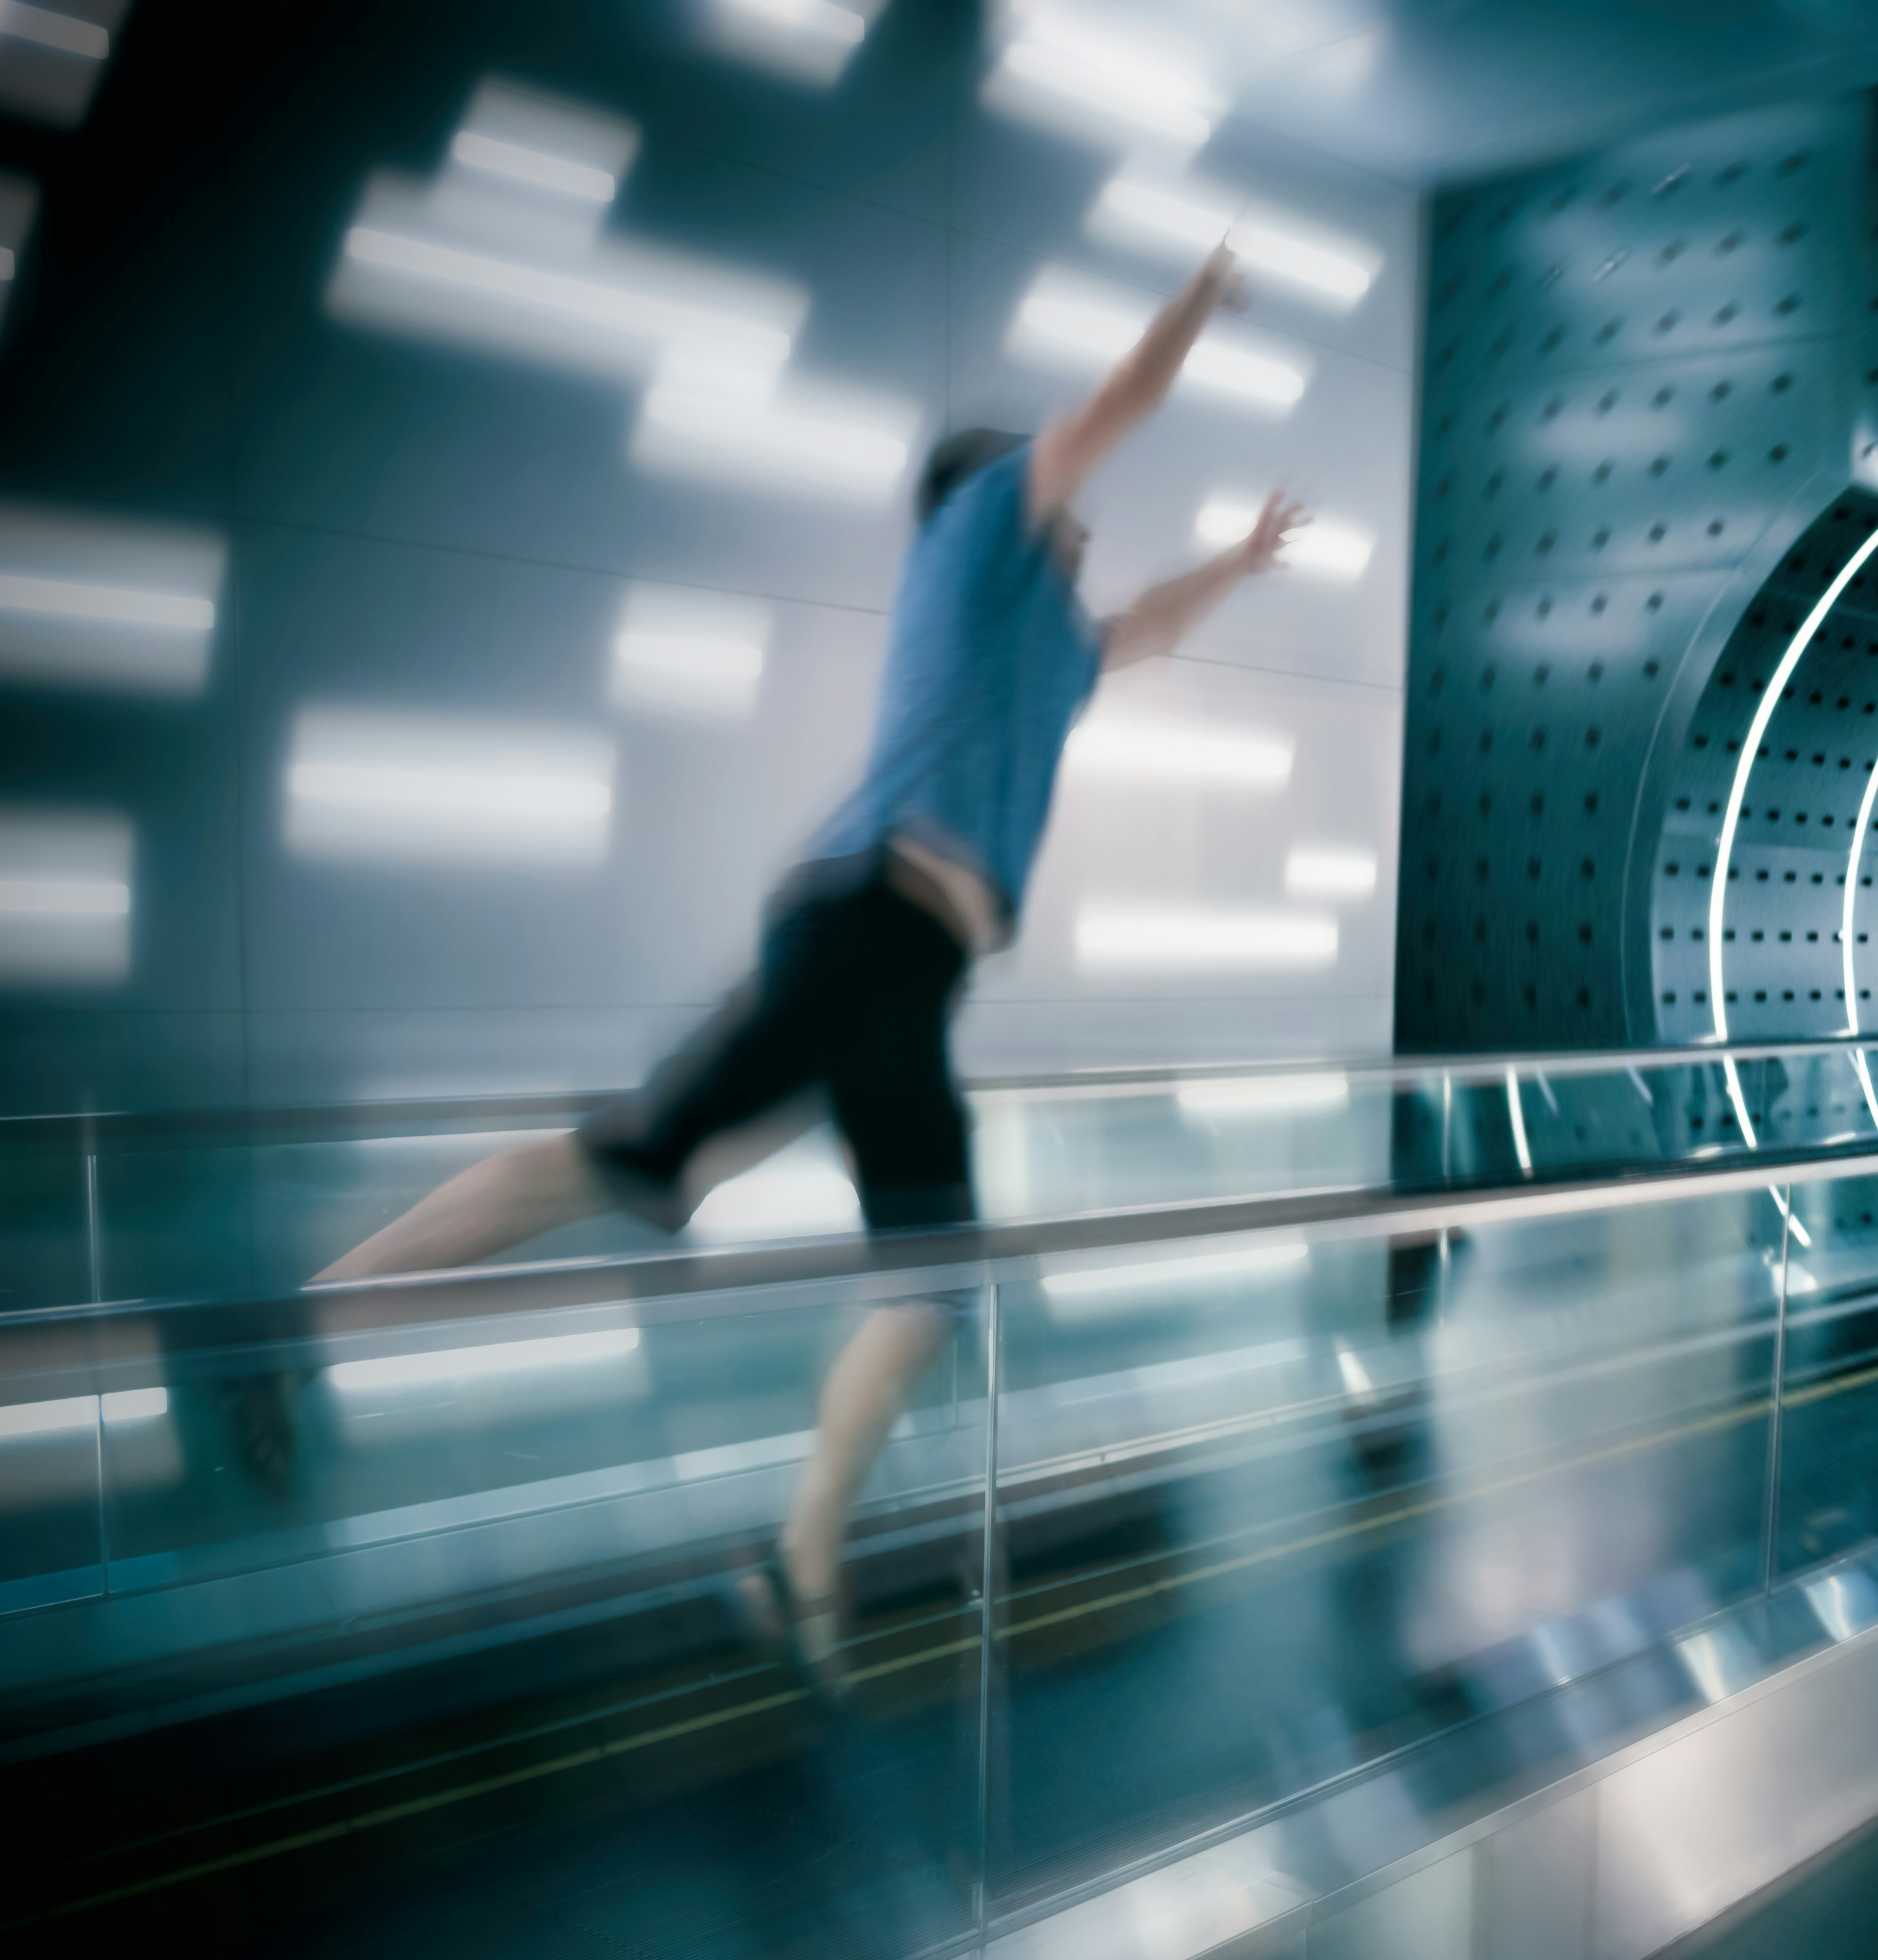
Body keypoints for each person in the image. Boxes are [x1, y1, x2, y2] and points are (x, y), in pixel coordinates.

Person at [247, 246, 1306, 1698]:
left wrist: (1241, 564)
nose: (1084, 532)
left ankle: (796, 1558)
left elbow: (1150, 629)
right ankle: (305, 1328)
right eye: (1067, 505)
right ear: (1000, 494)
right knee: (644, 1172)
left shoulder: (1048, 646)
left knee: (890, 1264)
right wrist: (1202, 294)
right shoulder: (977, 535)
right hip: (865, 928)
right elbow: (1122, 395)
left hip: (902, 970)